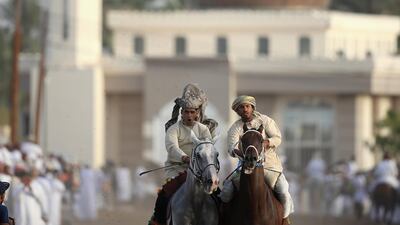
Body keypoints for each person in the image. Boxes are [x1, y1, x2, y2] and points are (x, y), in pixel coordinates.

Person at [149, 84, 215, 225]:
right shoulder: (174, 129)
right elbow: (171, 146)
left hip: (200, 171)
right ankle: (157, 221)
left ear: (197, 113)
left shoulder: (203, 129)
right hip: (177, 169)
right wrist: (184, 157)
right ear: (181, 113)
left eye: (192, 112)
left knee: (218, 195)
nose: (189, 115)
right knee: (164, 195)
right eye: (186, 112)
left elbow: (208, 148)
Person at [219, 95, 294, 219]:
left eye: (247, 106)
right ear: (237, 111)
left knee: (284, 191)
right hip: (245, 168)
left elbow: (277, 138)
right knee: (226, 192)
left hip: (270, 167)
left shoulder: (266, 121)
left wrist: (267, 142)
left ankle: (284, 220)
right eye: (241, 107)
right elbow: (231, 148)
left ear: (252, 107)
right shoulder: (235, 128)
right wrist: (239, 152)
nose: (245, 109)